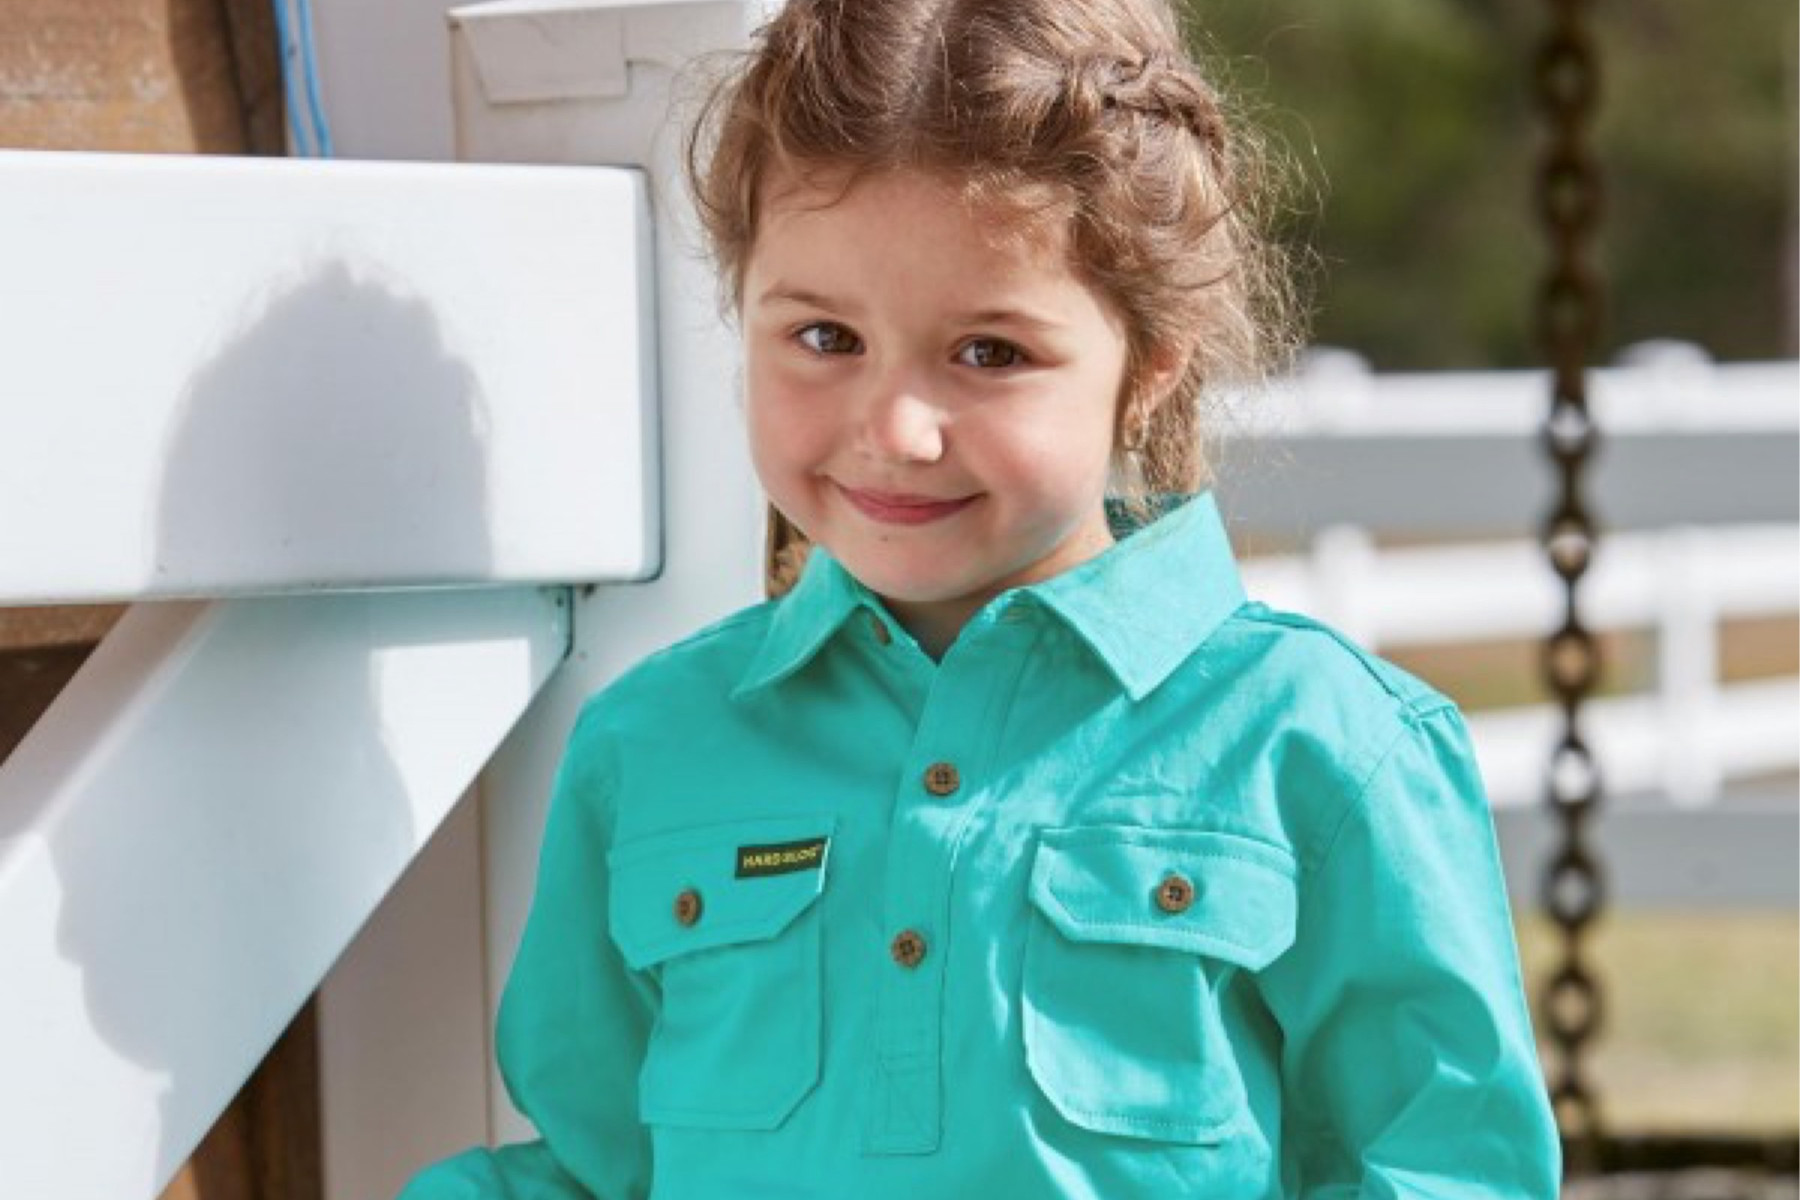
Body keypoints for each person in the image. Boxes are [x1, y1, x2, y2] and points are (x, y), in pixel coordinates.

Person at [401, 0, 1561, 1195]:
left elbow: (1449, 1173)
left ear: (1149, 365)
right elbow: (594, 1173)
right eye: (824, 337)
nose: (897, 432)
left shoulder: (1331, 751)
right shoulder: (649, 748)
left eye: (990, 353)